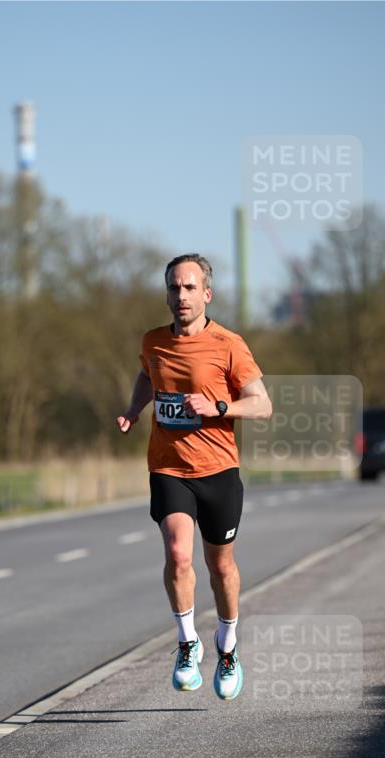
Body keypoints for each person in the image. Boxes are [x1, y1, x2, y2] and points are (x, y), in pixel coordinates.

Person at [116, 254, 272, 699]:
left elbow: (262, 404)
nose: (180, 296)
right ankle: (187, 642)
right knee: (178, 554)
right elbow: (148, 376)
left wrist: (220, 407)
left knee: (220, 566)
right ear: (166, 293)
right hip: (168, 467)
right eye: (173, 288)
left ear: (206, 293)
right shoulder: (153, 341)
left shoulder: (228, 344)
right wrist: (134, 409)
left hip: (219, 470)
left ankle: (227, 648)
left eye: (188, 288)